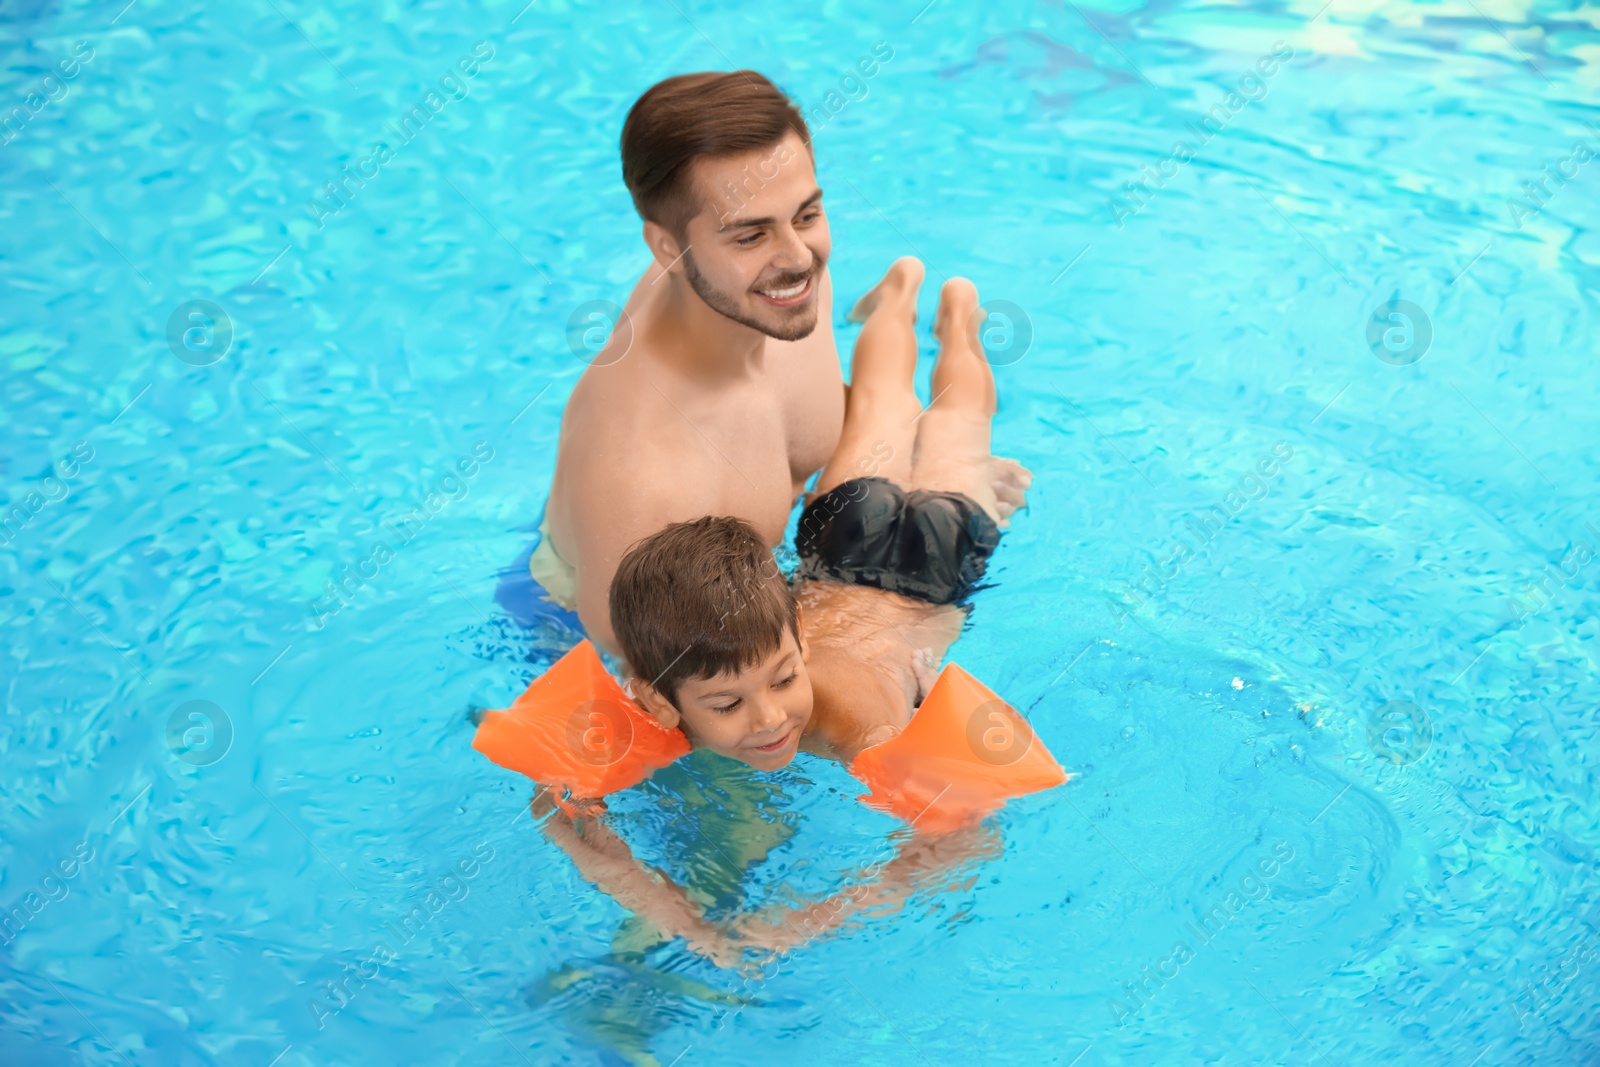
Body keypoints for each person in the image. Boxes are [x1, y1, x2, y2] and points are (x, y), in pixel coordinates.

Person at [533, 259, 1020, 961]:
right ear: (657, 700)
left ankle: (955, 317)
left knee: (956, 413)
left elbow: (966, 833)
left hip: (935, 564)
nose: (771, 718)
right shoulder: (667, 688)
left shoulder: (857, 721)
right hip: (843, 539)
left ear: (794, 633)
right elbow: (558, 805)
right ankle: (899, 297)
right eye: (726, 704)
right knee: (887, 403)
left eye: (784, 677)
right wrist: (686, 921)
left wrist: (809, 921)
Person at [532, 71, 1028, 653]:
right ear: (668, 248)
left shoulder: (776, 286)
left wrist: (936, 471)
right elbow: (684, 703)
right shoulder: (647, 486)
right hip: (594, 634)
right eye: (750, 237)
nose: (798, 259)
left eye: (807, 215)